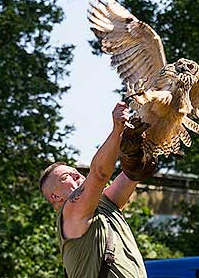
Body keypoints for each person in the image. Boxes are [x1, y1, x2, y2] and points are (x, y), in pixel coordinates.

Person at [39, 102, 156, 278]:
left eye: (76, 172)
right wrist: (118, 130)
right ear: (55, 196)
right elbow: (100, 174)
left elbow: (134, 172)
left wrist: (157, 118)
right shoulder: (70, 213)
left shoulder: (105, 203)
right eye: (66, 177)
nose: (77, 176)